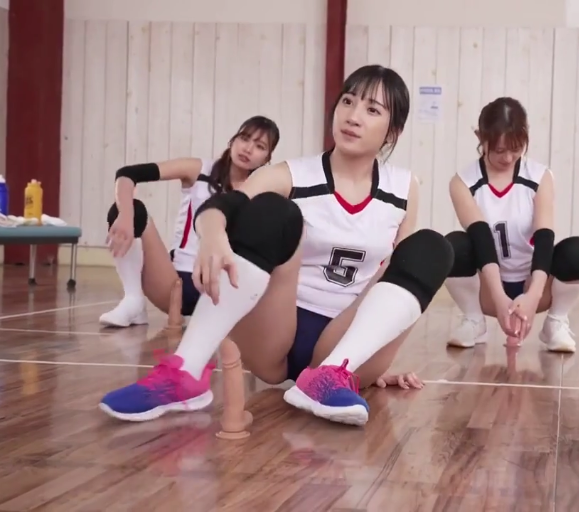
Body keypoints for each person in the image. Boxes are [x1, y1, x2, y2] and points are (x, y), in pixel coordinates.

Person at [98, 64, 453, 426]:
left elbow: (396, 274)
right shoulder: (290, 173)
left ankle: (330, 377)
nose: (353, 116)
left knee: (432, 247)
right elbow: (221, 207)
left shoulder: (404, 187)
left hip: (344, 342)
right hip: (276, 332)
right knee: (274, 212)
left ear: (393, 131)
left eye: (372, 110)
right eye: (348, 102)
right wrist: (214, 234)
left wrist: (376, 359)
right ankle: (184, 375)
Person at [444, 97, 579, 351]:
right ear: (480, 137)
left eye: (516, 148)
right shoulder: (462, 182)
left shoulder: (540, 176)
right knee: (452, 246)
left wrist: (534, 294)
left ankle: (556, 322)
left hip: (534, 282)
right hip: (488, 288)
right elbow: (481, 239)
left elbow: (545, 236)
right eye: (499, 150)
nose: (508, 158)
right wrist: (499, 297)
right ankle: (474, 320)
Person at [99, 116, 280, 328]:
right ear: (233, 140)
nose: (248, 149)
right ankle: (133, 300)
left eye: (259, 146)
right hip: (174, 282)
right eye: (244, 138)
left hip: (222, 291)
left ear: (267, 158)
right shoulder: (198, 169)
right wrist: (126, 215)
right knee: (129, 209)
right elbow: (127, 174)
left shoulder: (263, 190)